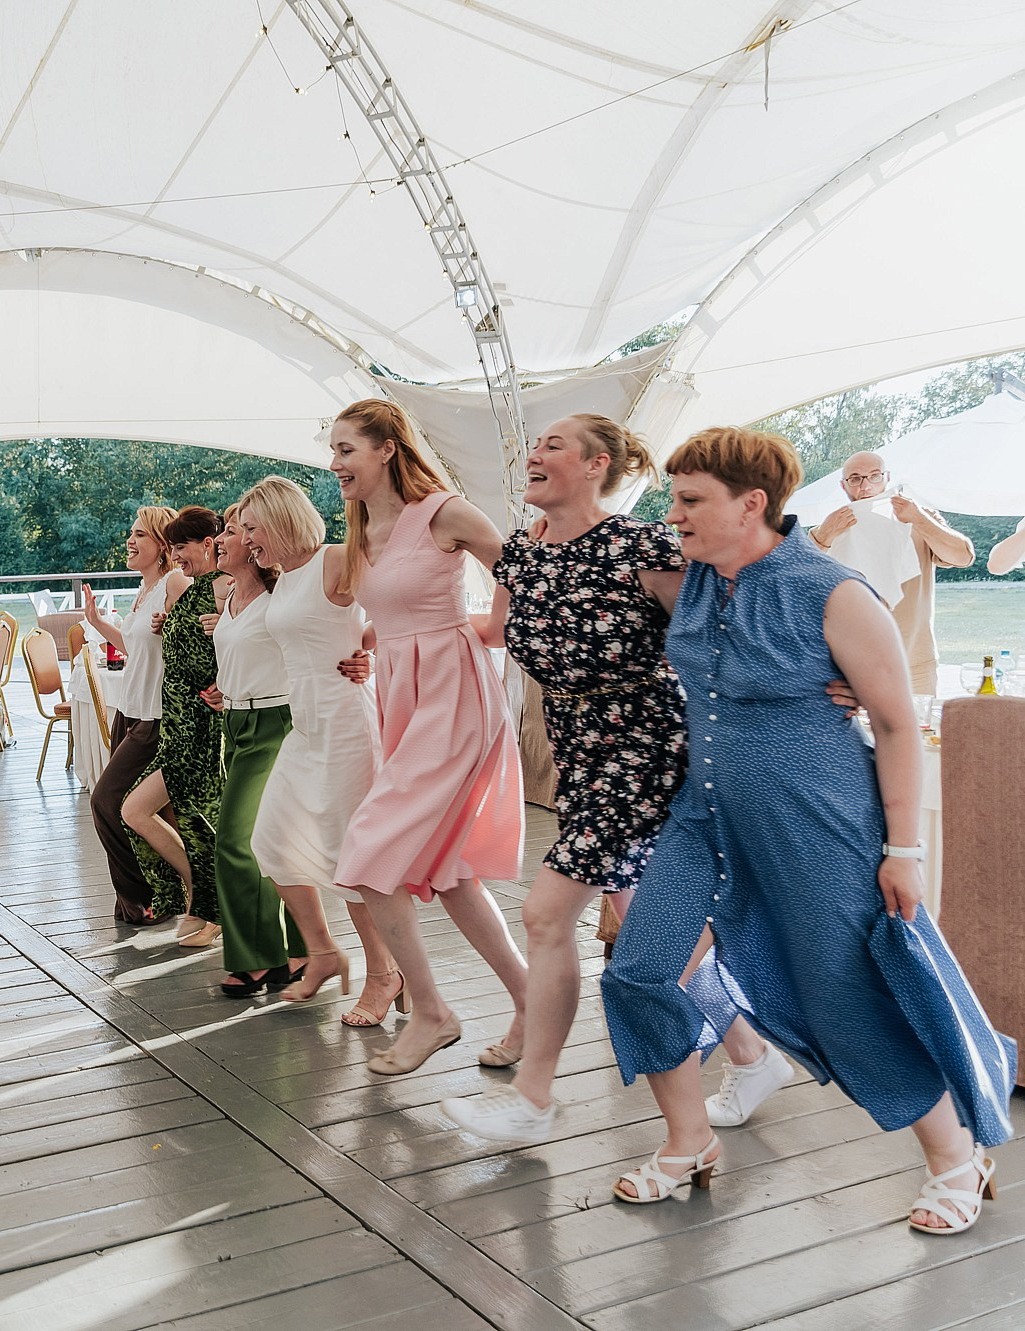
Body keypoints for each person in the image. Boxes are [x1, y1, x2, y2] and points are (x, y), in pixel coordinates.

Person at [600, 427, 1014, 1234]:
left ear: (750, 503)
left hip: (818, 823)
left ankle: (956, 1157)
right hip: (704, 817)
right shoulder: (688, 574)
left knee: (844, 998)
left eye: (690, 500)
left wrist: (904, 852)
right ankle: (689, 1141)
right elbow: (576, 549)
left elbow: (895, 722)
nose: (672, 515)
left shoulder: (832, 591)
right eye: (673, 499)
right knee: (640, 968)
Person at [443, 415, 795, 1143]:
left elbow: (726, 627)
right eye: (535, 444)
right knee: (649, 928)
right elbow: (498, 631)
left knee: (546, 915)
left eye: (553, 444)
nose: (534, 453)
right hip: (579, 749)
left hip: (647, 746)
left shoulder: (641, 545)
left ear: (597, 464)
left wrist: (818, 685)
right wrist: (388, 635)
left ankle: (534, 1096)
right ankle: (753, 1056)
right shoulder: (522, 553)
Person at [327, 400, 529, 1078]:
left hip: (454, 698)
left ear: (386, 448)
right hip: (404, 699)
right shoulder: (362, 528)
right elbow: (393, 606)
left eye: (346, 449)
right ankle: (532, 1000)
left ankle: (434, 1011)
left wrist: (489, 628)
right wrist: (370, 641)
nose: (335, 464)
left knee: (367, 852)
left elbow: (519, 572)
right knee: (450, 873)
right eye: (334, 451)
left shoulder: (443, 512)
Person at [235, 477, 398, 1016]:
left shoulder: (335, 560)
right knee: (271, 840)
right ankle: (324, 953)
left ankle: (385, 974)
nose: (247, 539)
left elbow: (401, 606)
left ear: (281, 520)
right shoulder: (285, 577)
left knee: (351, 860)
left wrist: (368, 649)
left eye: (252, 528)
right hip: (304, 727)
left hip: (345, 723)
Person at [202, 504, 305, 996]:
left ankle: (257, 958)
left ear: (255, 542)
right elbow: (244, 655)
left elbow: (311, 647)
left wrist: (359, 658)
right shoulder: (229, 598)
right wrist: (227, 690)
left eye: (231, 531)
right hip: (237, 721)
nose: (220, 539)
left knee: (235, 843)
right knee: (273, 840)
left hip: (274, 726)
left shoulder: (279, 597)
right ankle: (298, 950)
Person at [120, 506, 225, 946]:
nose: (175, 555)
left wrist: (226, 681)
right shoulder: (195, 588)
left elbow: (251, 642)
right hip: (176, 725)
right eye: (173, 546)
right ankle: (203, 898)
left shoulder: (224, 587)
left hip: (199, 725)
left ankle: (211, 906)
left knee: (188, 821)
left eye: (181, 546)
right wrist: (171, 627)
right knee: (140, 811)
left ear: (207, 544)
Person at [83, 507, 188, 924]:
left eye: (140, 534)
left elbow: (197, 643)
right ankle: (160, 896)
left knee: (107, 802)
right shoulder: (144, 589)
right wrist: (96, 622)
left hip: (156, 717)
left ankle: (145, 898)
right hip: (130, 712)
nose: (130, 540)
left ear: (162, 545)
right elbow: (135, 647)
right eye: (131, 532)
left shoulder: (174, 583)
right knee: (151, 813)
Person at [808, 451, 973, 693]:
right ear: (844, 485)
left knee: (920, 719)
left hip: (914, 663)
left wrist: (919, 519)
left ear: (887, 478)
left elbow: (964, 556)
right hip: (848, 666)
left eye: (874, 476)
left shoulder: (920, 518)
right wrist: (823, 536)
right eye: (855, 478)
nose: (865, 486)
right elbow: (798, 580)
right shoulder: (832, 525)